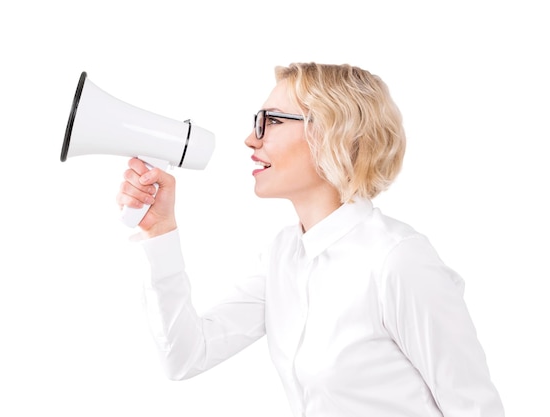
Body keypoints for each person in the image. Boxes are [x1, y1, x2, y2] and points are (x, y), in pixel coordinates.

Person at [116, 62, 504, 416]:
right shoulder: (283, 256)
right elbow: (185, 356)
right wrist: (159, 231)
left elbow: (475, 407)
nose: (251, 139)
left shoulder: (397, 260)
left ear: (334, 132)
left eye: (271, 121)